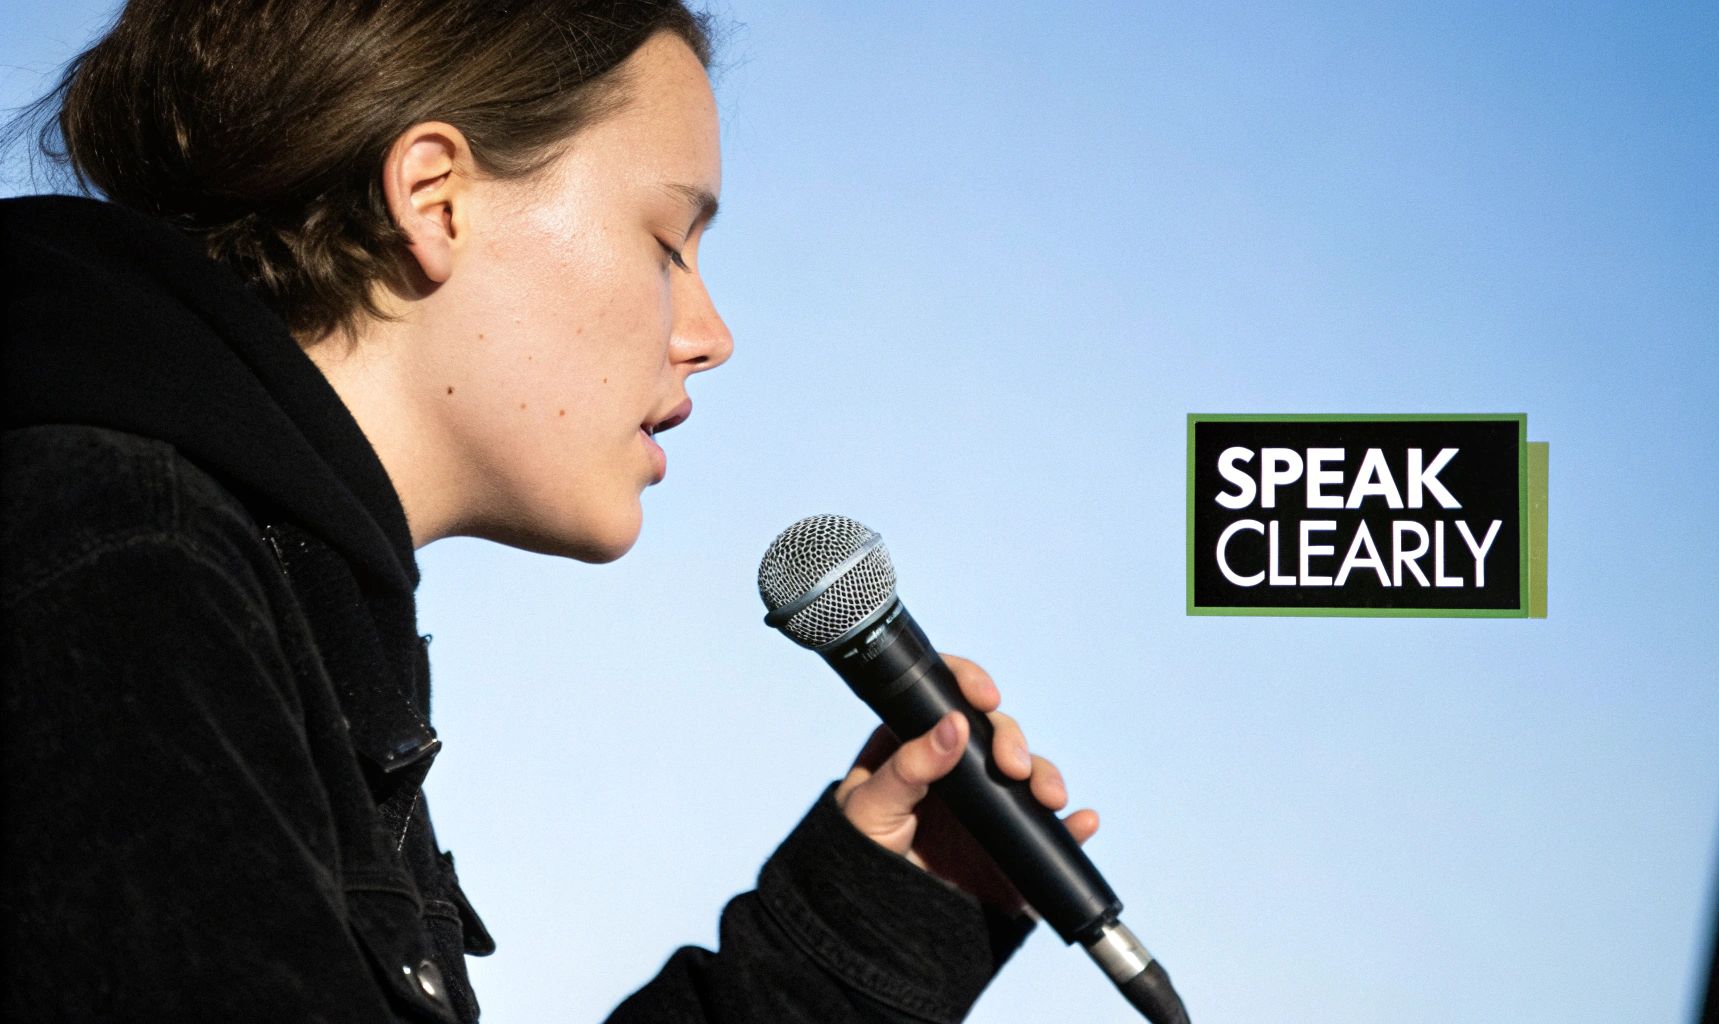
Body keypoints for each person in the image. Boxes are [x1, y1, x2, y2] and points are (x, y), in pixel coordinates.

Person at [0, 1, 1100, 1021]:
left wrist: (863, 931)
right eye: (669, 242)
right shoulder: (122, 564)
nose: (712, 333)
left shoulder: (247, 594)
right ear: (435, 198)